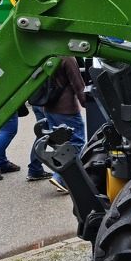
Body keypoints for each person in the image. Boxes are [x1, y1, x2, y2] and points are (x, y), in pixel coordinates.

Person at [43, 56, 87, 194]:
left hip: (49, 108)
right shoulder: (67, 58)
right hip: (67, 109)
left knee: (61, 145)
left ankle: (59, 177)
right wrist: (86, 102)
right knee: (77, 142)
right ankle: (61, 178)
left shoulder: (46, 53)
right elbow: (77, 83)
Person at [25, 104, 53, 181]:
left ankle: (35, 169)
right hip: (48, 101)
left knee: (42, 135)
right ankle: (62, 174)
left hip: (36, 101)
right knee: (59, 134)